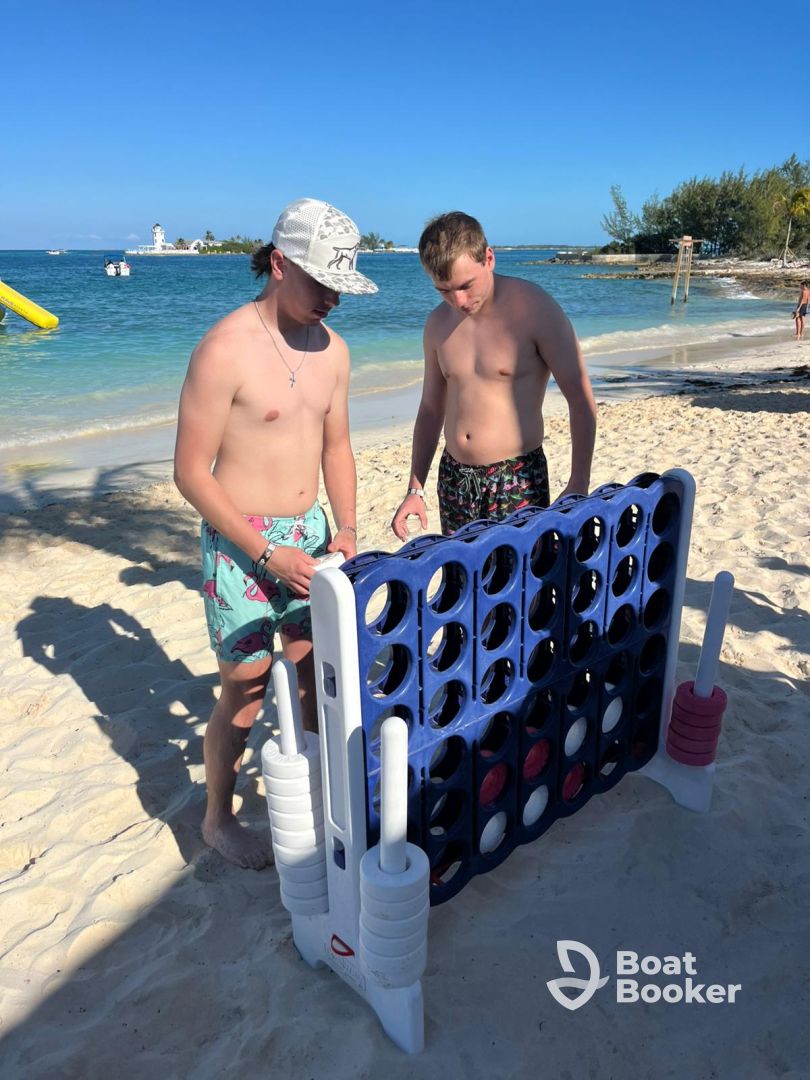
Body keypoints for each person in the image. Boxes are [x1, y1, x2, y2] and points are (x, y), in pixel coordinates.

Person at [174, 198, 377, 869]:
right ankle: (218, 818)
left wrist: (347, 528)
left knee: (315, 673)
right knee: (247, 686)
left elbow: (337, 447)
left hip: (311, 536)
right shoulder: (224, 348)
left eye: (341, 288)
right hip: (241, 544)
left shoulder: (335, 351)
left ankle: (320, 798)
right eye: (323, 284)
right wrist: (264, 551)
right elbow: (190, 473)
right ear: (281, 264)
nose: (333, 301)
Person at [391, 211, 597, 539]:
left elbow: (580, 397)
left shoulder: (535, 310)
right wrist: (415, 489)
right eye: (443, 290)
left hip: (516, 477)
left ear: (488, 258)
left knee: (523, 571)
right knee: (463, 571)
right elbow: (431, 409)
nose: (458, 300)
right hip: (455, 479)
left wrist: (579, 481)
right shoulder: (437, 324)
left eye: (465, 286)